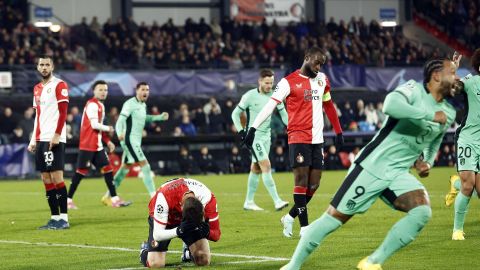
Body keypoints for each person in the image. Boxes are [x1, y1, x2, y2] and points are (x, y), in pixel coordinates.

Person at [279, 57, 458, 270]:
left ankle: (373, 262)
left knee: (422, 211)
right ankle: (292, 266)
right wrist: (429, 114)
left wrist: (427, 161)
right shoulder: (414, 89)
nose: (456, 78)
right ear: (436, 75)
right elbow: (391, 105)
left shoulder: (449, 112)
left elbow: (435, 139)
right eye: (452, 72)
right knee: (333, 219)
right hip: (372, 165)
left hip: (398, 173)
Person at [243, 47, 344, 236]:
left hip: (318, 139)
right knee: (301, 180)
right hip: (298, 137)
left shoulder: (322, 80)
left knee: (314, 184)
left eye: (321, 64)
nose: (318, 67)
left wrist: (338, 131)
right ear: (307, 58)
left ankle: (289, 217)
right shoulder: (287, 82)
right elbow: (270, 106)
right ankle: (304, 228)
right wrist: (253, 128)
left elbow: (328, 105)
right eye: (316, 62)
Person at [67, 80, 131, 209]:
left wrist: (107, 141)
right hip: (87, 146)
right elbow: (94, 125)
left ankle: (114, 198)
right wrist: (110, 128)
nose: (103, 92)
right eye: (100, 90)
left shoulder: (101, 106)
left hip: (97, 146)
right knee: (80, 173)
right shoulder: (92, 105)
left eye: (105, 90)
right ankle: (67, 200)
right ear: (94, 91)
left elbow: (98, 129)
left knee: (108, 170)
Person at [231, 68, 289, 211]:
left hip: (266, 137)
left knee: (256, 169)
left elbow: (284, 114)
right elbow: (235, 114)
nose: (270, 86)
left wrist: (293, 128)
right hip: (254, 137)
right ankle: (277, 201)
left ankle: (248, 202)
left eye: (271, 83)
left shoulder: (276, 95)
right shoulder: (249, 96)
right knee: (266, 165)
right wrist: (241, 132)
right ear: (260, 81)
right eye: (267, 83)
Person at [103, 82, 169, 201]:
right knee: (145, 165)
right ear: (137, 91)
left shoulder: (142, 105)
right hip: (129, 140)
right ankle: (154, 196)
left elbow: (145, 118)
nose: (145, 92)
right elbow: (120, 121)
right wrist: (119, 133)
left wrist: (159, 117)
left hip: (135, 141)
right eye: (143, 89)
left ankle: (108, 196)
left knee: (124, 169)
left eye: (147, 90)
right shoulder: (130, 104)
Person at [27, 55, 70, 230]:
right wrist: (33, 139)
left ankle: (64, 219)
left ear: (52, 66)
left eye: (47, 64)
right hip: (41, 138)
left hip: (54, 137)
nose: (44, 67)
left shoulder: (59, 85)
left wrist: (57, 135)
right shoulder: (37, 88)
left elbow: (63, 112)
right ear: (37, 68)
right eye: (41, 65)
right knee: (45, 178)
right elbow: (38, 116)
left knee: (57, 177)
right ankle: (54, 217)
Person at [139, 177, 221, 268]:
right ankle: (145, 249)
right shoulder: (164, 197)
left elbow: (216, 235)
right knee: (156, 264)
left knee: (203, 260)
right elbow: (157, 235)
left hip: (188, 222)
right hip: (166, 220)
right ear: (180, 207)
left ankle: (187, 252)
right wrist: (179, 230)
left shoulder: (208, 199)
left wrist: (207, 232)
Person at [445, 50, 480, 240]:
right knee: (469, 186)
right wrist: (453, 70)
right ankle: (457, 230)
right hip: (468, 138)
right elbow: (454, 89)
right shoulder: (471, 81)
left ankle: (455, 183)